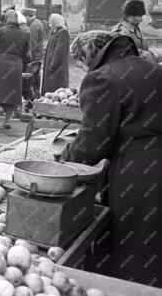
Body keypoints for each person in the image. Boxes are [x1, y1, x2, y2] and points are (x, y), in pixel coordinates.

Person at [61, 31, 162, 287]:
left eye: (81, 64)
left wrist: (64, 160)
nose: (83, 70)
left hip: (140, 170)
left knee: (134, 242)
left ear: (88, 55)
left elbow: (93, 144)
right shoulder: (150, 68)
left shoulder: (103, 78)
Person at [0, 9, 30, 129]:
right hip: (15, 66)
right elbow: (27, 55)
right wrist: (21, 64)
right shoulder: (25, 34)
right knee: (11, 94)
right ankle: (7, 121)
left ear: (6, 19)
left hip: (0, 64)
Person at [41, 13, 70, 94]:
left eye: (51, 21)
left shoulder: (62, 32)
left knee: (55, 92)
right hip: (52, 68)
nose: (50, 23)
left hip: (57, 70)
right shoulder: (56, 32)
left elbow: (59, 51)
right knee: (50, 92)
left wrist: (52, 66)